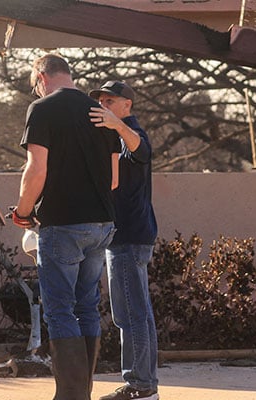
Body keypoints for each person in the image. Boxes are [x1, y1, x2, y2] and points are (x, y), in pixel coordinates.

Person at [11, 53, 121, 400]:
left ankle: (70, 396)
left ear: (41, 77)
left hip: (61, 224)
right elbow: (114, 179)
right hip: (101, 222)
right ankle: (82, 391)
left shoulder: (42, 110)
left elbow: (36, 169)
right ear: (68, 74)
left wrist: (24, 211)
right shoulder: (101, 113)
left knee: (59, 309)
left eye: (34, 86)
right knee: (86, 306)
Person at [88, 81, 159, 400]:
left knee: (129, 313)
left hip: (129, 237)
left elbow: (143, 150)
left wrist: (117, 124)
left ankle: (140, 386)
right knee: (138, 312)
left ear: (126, 105)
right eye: (100, 101)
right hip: (128, 236)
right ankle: (145, 385)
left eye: (109, 100)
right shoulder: (115, 135)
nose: (102, 105)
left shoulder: (132, 132)